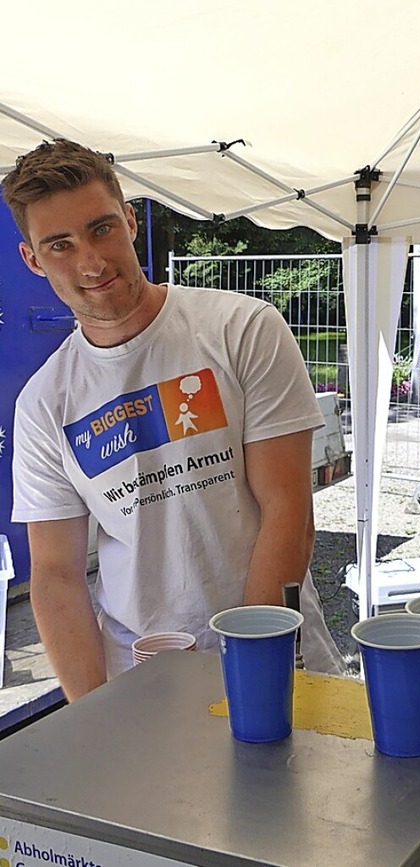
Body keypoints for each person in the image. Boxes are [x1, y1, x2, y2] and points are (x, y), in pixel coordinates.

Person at [3, 138, 344, 702]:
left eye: (101, 228)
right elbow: (57, 576)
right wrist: (92, 717)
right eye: (59, 244)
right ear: (33, 259)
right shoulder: (44, 403)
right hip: (144, 688)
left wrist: (254, 663)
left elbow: (288, 509)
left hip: (279, 660)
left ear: (131, 222)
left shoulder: (240, 328)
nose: (90, 261)